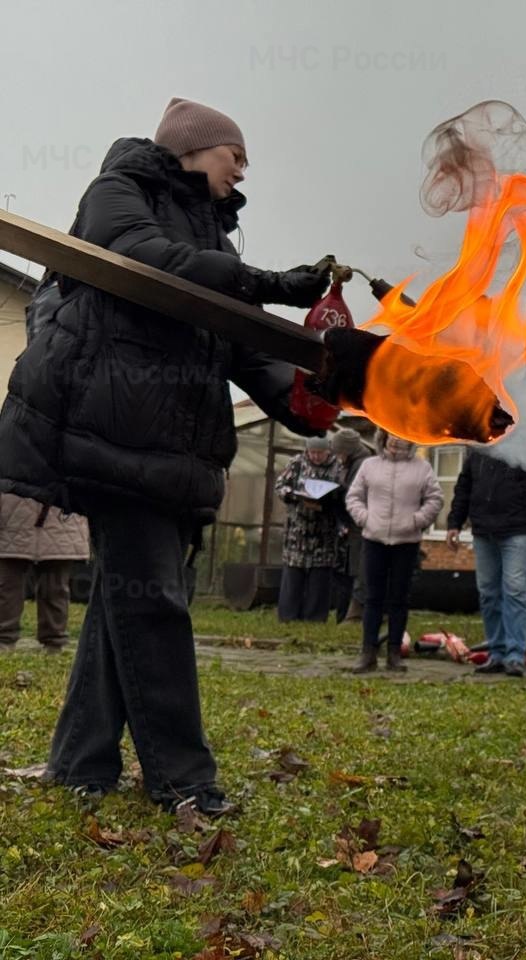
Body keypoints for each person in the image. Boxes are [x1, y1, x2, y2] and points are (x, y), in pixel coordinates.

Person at [0, 97, 333, 814]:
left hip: (175, 444)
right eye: (234, 155)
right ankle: (184, 780)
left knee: (127, 601)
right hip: (114, 435)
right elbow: (152, 267)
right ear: (193, 147)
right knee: (154, 605)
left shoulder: (213, 231)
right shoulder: (119, 192)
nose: (242, 171)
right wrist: (270, 284)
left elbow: (235, 340)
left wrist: (303, 402)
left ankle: (79, 762)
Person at [446, 450, 526, 678]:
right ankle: (497, 652)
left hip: (518, 529)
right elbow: (464, 485)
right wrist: (454, 522)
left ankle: (515, 655)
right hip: (483, 530)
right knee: (488, 593)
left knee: (515, 591)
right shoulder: (479, 447)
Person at [344, 431, 443, 673]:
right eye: (391, 436)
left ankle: (394, 653)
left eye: (402, 437)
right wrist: (365, 518)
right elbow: (354, 496)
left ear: (411, 440)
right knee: (372, 598)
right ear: (383, 438)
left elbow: (435, 498)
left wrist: (417, 520)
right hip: (374, 539)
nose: (396, 440)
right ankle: (368, 652)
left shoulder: (422, 468)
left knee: (399, 599)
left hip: (406, 541)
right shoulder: (369, 465)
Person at [0, 495, 89, 653]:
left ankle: (54, 642)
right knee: (7, 586)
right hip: (13, 517)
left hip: (59, 522)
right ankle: (4, 639)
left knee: (55, 589)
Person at [275, 436, 345, 622]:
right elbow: (280, 485)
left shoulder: (337, 467)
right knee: (293, 575)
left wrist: (328, 502)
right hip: (297, 530)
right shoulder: (297, 463)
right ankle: (288, 616)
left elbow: (342, 494)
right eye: (312, 452)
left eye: (319, 453)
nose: (315, 456)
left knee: (320, 577)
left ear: (327, 451)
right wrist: (292, 496)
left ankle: (314, 617)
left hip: (324, 532)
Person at [330, 427, 373, 624]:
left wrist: (338, 494)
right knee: (352, 570)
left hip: (361, 524)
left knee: (359, 571)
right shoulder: (352, 463)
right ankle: (348, 614)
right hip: (354, 524)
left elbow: (356, 495)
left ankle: (355, 615)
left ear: (346, 450)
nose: (337, 457)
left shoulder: (362, 464)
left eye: (339, 452)